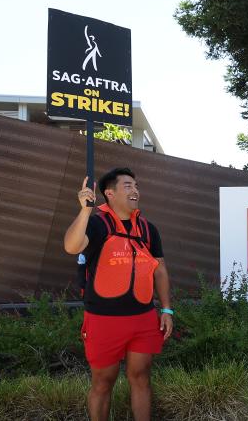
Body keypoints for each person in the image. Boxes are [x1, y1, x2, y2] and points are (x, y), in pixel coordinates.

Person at [63, 168, 173, 421]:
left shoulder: (148, 228)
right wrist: (85, 210)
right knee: (103, 382)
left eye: (136, 185)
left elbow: (160, 269)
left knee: (141, 377)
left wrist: (166, 308)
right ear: (109, 193)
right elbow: (71, 246)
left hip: (143, 318)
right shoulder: (96, 223)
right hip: (103, 319)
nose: (135, 190)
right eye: (127, 186)